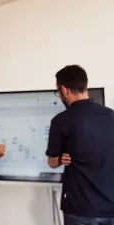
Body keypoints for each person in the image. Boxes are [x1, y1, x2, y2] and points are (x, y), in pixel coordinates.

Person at [46, 65, 114, 225]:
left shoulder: (61, 120)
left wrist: (61, 158)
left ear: (64, 89)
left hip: (80, 209)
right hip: (111, 206)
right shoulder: (111, 116)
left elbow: (52, 162)